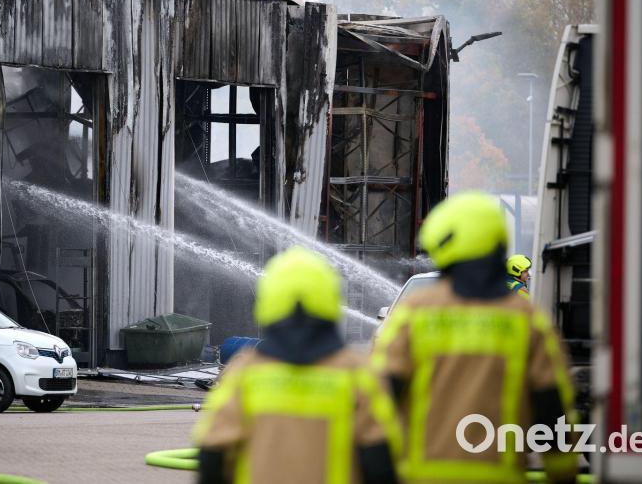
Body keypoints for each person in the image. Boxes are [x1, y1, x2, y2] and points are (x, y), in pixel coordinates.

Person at [371, 192, 577, 484]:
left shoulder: (414, 316)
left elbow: (380, 402)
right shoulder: (527, 321)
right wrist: (562, 473)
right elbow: (551, 409)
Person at [194, 247, 401, 484]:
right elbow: (380, 463)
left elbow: (212, 457)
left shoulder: (245, 373)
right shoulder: (358, 375)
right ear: (331, 299)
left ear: (269, 300)